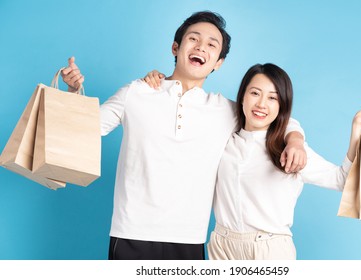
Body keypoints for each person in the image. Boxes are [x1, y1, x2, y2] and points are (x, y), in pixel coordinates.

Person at [61, 11, 307, 260]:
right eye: (194, 39)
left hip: (189, 240)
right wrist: (73, 91)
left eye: (212, 45)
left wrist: (296, 139)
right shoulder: (136, 93)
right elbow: (84, 129)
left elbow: (270, 117)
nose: (201, 47)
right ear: (175, 48)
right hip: (131, 233)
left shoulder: (225, 110)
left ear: (218, 62)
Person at [202, 63, 361, 260]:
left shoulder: (290, 150)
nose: (262, 104)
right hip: (222, 246)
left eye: (273, 98)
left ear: (282, 105)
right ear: (243, 96)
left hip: (269, 249)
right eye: (255, 93)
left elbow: (342, 180)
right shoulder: (223, 139)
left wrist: (357, 126)